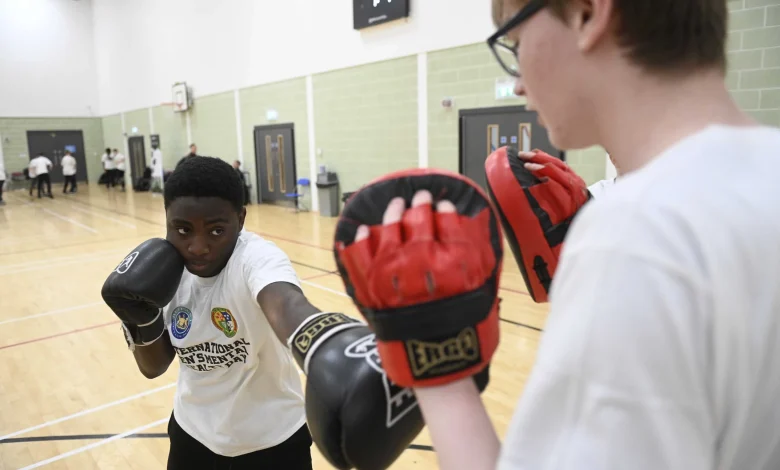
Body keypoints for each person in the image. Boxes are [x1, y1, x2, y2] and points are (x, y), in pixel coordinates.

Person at [332, 0, 780, 469]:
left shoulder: (636, 236)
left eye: (516, 42)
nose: (519, 81)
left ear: (588, 14)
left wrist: (439, 377)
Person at [100, 156, 440, 470]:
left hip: (273, 442)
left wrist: (331, 344)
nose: (198, 246)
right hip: (193, 434)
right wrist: (140, 319)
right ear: (167, 220)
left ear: (241, 219)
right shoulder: (159, 270)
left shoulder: (257, 258)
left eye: (216, 230)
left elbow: (285, 304)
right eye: (183, 230)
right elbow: (154, 366)